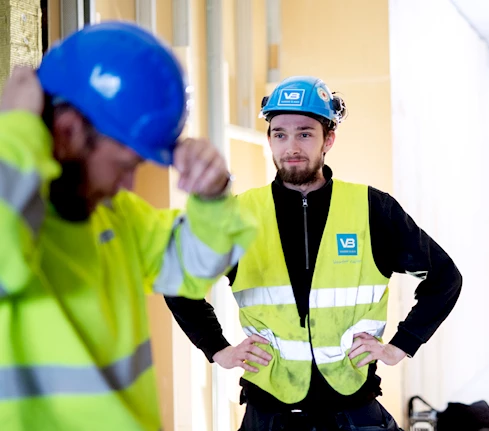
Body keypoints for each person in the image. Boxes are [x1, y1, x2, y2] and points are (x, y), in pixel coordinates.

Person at [165, 76, 463, 431]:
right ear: (269, 140)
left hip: (354, 411)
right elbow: (177, 281)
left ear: (328, 139)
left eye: (305, 134)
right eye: (280, 134)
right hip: (269, 414)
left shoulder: (372, 209)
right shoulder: (238, 215)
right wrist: (218, 349)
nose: (291, 146)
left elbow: (444, 277)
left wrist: (401, 345)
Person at [0, 22, 256, 431]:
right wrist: (17, 129)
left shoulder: (117, 217)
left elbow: (195, 266)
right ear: (67, 132)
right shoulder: (14, 216)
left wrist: (212, 197)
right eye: (124, 166)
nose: (130, 186)